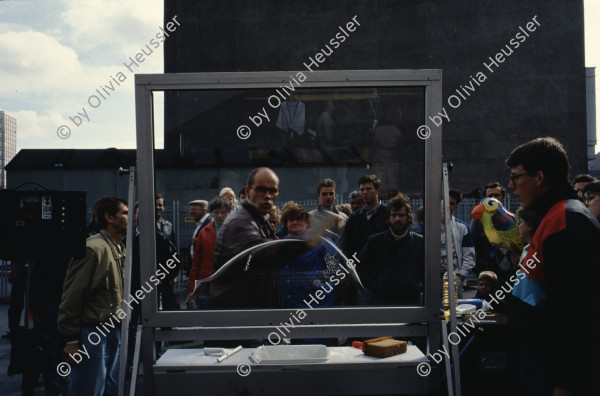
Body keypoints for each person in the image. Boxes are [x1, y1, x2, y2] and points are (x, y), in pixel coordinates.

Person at [506, 137, 600, 395]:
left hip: (554, 375)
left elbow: (575, 314)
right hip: (540, 364)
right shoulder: (554, 217)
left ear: (539, 177)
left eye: (516, 177)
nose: (511, 186)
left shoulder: (567, 221)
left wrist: (565, 384)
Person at [58, 196, 128, 396]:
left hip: (112, 330)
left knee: (107, 388)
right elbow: (72, 296)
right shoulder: (94, 249)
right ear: (109, 217)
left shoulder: (117, 247)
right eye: (124, 212)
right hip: (92, 334)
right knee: (88, 390)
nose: (130, 217)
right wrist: (71, 340)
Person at [211, 167, 300, 308]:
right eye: (261, 190)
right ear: (247, 192)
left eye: (272, 191)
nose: (267, 196)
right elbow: (264, 253)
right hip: (240, 311)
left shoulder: (258, 219)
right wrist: (306, 242)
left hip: (259, 308)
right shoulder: (240, 221)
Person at [357, 193, 424, 305]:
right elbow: (360, 266)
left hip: (410, 300)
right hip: (382, 301)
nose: (397, 219)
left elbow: (426, 270)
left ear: (408, 217)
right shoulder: (375, 242)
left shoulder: (419, 242)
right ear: (389, 217)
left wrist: (418, 286)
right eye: (394, 215)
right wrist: (374, 285)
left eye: (401, 215)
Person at [279, 203, 336, 309]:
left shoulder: (321, 242)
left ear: (307, 222)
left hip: (317, 302)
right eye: (291, 220)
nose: (295, 222)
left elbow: (335, 265)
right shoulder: (282, 244)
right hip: (291, 303)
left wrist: (323, 279)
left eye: (299, 219)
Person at [187, 197, 231, 308]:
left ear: (229, 213)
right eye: (216, 212)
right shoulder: (204, 232)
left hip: (229, 281)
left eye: (223, 212)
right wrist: (192, 287)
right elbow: (196, 262)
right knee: (208, 317)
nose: (220, 215)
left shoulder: (235, 230)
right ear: (212, 213)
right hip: (208, 281)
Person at [470, 182, 514, 284]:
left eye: (497, 195)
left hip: (509, 275)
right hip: (488, 276)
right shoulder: (478, 221)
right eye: (490, 196)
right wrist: (480, 272)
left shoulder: (512, 219)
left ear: (503, 197)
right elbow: (472, 249)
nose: (493, 198)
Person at [341, 174, 389, 257]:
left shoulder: (388, 214)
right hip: (360, 265)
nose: (365, 192)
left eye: (369, 189)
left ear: (377, 190)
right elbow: (348, 243)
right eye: (362, 190)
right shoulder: (354, 217)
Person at [441, 190, 476, 298]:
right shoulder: (428, 225)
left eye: (451, 203)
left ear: (456, 207)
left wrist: (461, 278)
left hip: (454, 278)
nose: (446, 205)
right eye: (445, 201)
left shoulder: (462, 228)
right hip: (432, 279)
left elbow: (469, 256)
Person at [155, 194, 180, 310]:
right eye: (155, 205)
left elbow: (173, 249)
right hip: (152, 268)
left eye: (160, 205)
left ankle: (167, 327)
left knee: (168, 300)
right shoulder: (144, 226)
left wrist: (174, 273)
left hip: (166, 269)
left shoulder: (168, 225)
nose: (158, 207)